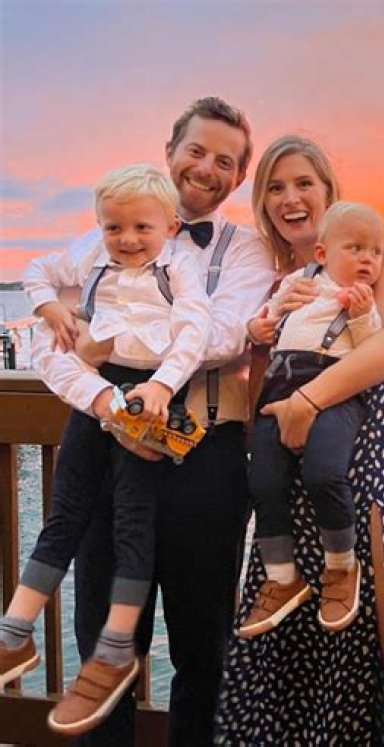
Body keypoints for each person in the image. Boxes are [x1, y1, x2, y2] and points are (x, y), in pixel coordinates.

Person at [215, 135, 384, 744]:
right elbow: (263, 379)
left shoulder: (372, 244)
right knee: (308, 637)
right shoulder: (281, 281)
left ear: (328, 190)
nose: (290, 198)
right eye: (275, 188)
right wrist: (265, 335)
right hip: (304, 481)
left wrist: (310, 400)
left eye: (303, 184)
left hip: (383, 467)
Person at [22, 97, 276, 746]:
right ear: (169, 152)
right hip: (107, 446)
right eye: (196, 150)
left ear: (238, 176)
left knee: (203, 648)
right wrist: (100, 366)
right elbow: (53, 329)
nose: (207, 168)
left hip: (206, 459)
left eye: (225, 160)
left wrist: (109, 337)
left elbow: (222, 336)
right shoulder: (107, 232)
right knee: (103, 645)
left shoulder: (246, 250)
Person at [0, 163, 211, 735]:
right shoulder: (92, 254)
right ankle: (15, 633)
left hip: (148, 396)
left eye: (142, 227)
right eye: (114, 227)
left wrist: (163, 385)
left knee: (131, 526)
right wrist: (45, 306)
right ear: (99, 226)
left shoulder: (180, 266)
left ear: (169, 226)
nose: (127, 239)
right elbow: (38, 270)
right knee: (64, 513)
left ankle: (116, 649)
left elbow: (194, 330)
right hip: (97, 394)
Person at [237, 201, 384, 639]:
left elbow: (372, 354)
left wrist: (362, 317)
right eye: (355, 249)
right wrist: (260, 324)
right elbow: (264, 322)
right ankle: (283, 578)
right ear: (323, 254)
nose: (367, 259)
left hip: (334, 395)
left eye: (375, 252)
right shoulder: (297, 282)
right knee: (263, 482)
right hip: (278, 390)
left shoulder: (365, 302)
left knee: (324, 473)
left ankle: (341, 567)